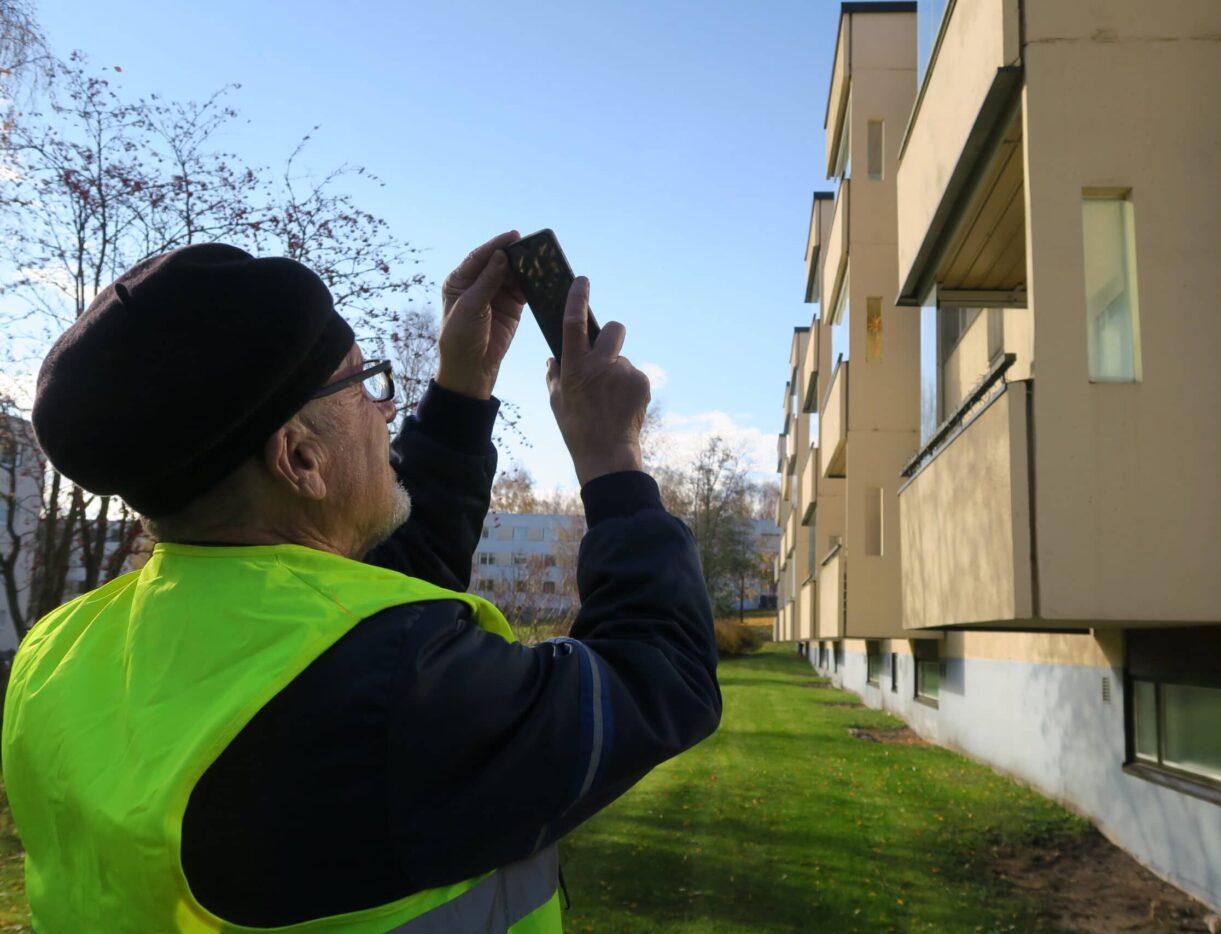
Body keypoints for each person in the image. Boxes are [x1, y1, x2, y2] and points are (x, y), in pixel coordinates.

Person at [1, 232, 721, 932]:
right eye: (363, 382)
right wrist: (613, 457)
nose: (385, 410)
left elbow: (370, 603)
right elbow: (660, 672)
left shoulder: (53, 654)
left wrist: (463, 386)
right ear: (301, 459)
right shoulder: (394, 689)